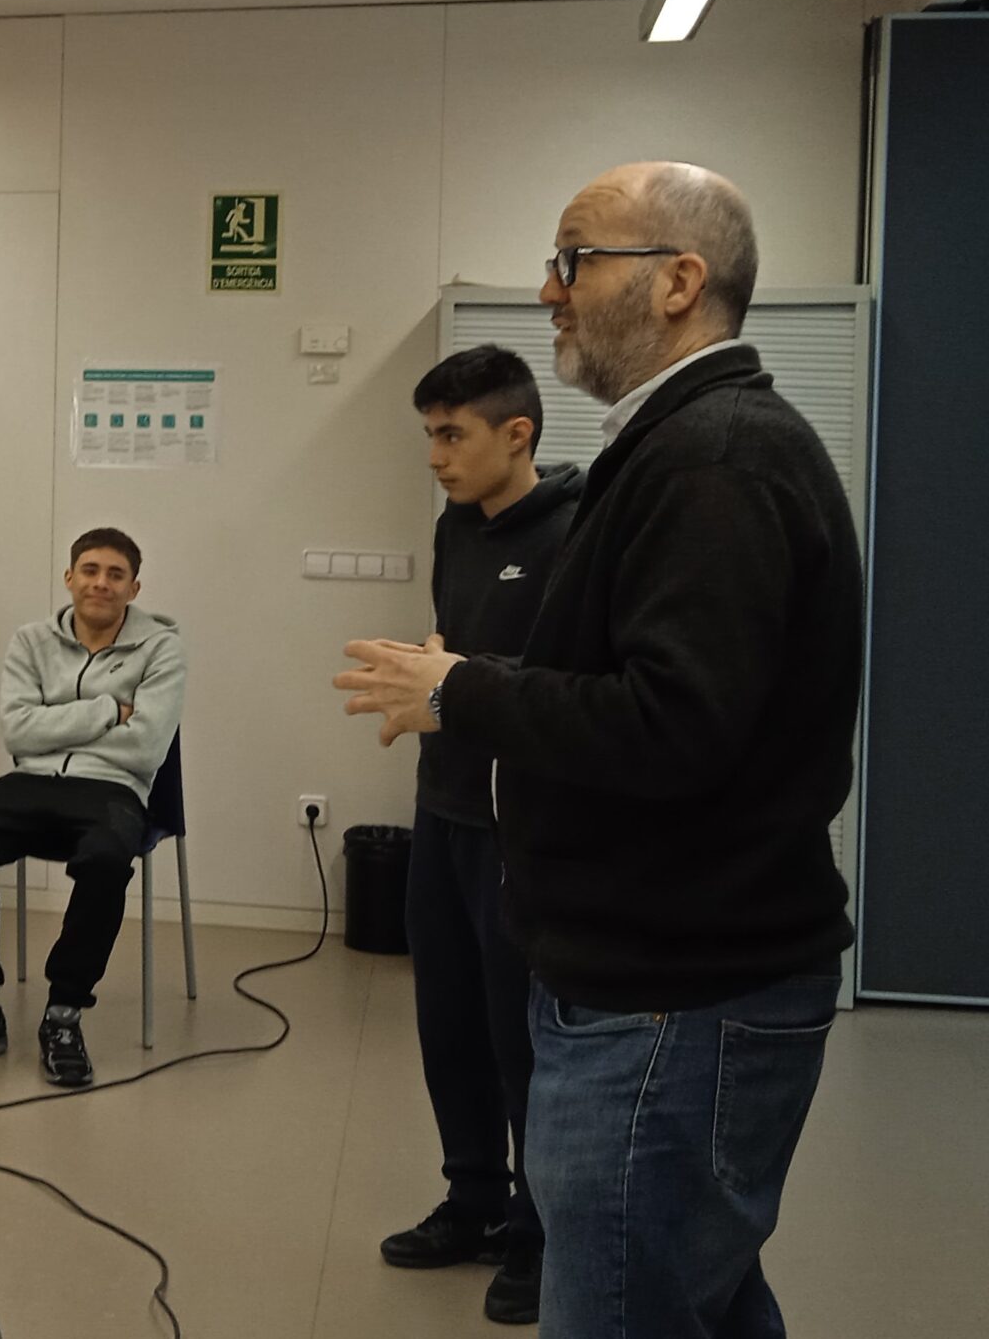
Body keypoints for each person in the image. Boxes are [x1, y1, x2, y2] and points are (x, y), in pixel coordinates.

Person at [338, 162, 861, 1339]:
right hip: (665, 982)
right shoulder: (681, 444)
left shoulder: (715, 458)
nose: (548, 290)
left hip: (674, 1001)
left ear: (678, 281)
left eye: (574, 260)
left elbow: (674, 724)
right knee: (692, 1299)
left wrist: (463, 688)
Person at [380, 346, 583, 1325]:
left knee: (520, 1037)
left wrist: (458, 674)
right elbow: (451, 651)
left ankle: (541, 1235)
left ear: (518, 433)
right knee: (448, 1022)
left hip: (521, 824)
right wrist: (428, 664)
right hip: (443, 804)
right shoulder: (453, 528)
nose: (436, 455)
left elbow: (565, 683)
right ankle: (473, 1201)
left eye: (452, 434)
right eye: (429, 433)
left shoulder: (579, 531)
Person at [0, 527, 185, 1088]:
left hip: (113, 788)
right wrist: (109, 710)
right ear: (69, 578)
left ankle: (64, 1012)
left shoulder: (162, 648)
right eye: (90, 570)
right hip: (30, 781)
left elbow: (146, 746)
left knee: (105, 861)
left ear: (134, 588)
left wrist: (54, 724)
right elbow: (18, 732)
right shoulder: (31, 641)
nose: (101, 583)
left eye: (115, 574)